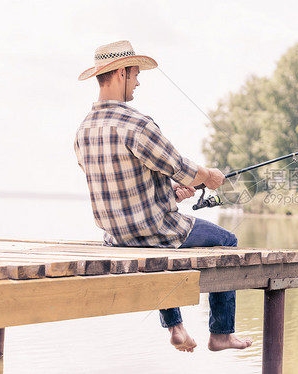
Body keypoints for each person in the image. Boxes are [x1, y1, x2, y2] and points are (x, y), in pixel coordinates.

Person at [75, 40, 252, 353]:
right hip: (156, 230)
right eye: (135, 73)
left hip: (115, 236)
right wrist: (209, 176)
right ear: (119, 74)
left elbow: (120, 184)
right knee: (227, 242)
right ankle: (221, 333)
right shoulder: (135, 124)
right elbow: (181, 167)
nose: (139, 80)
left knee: (159, 246)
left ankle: (176, 326)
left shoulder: (83, 130)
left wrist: (169, 193)